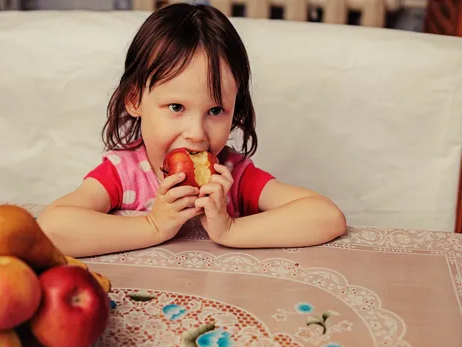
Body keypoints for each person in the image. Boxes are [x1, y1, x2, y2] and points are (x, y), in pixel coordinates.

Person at [37, 3, 346, 258]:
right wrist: (153, 225)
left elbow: (326, 217)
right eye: (176, 107)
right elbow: (52, 230)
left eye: (215, 111)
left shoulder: (232, 176)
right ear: (134, 100)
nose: (196, 133)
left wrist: (230, 229)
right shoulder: (124, 174)